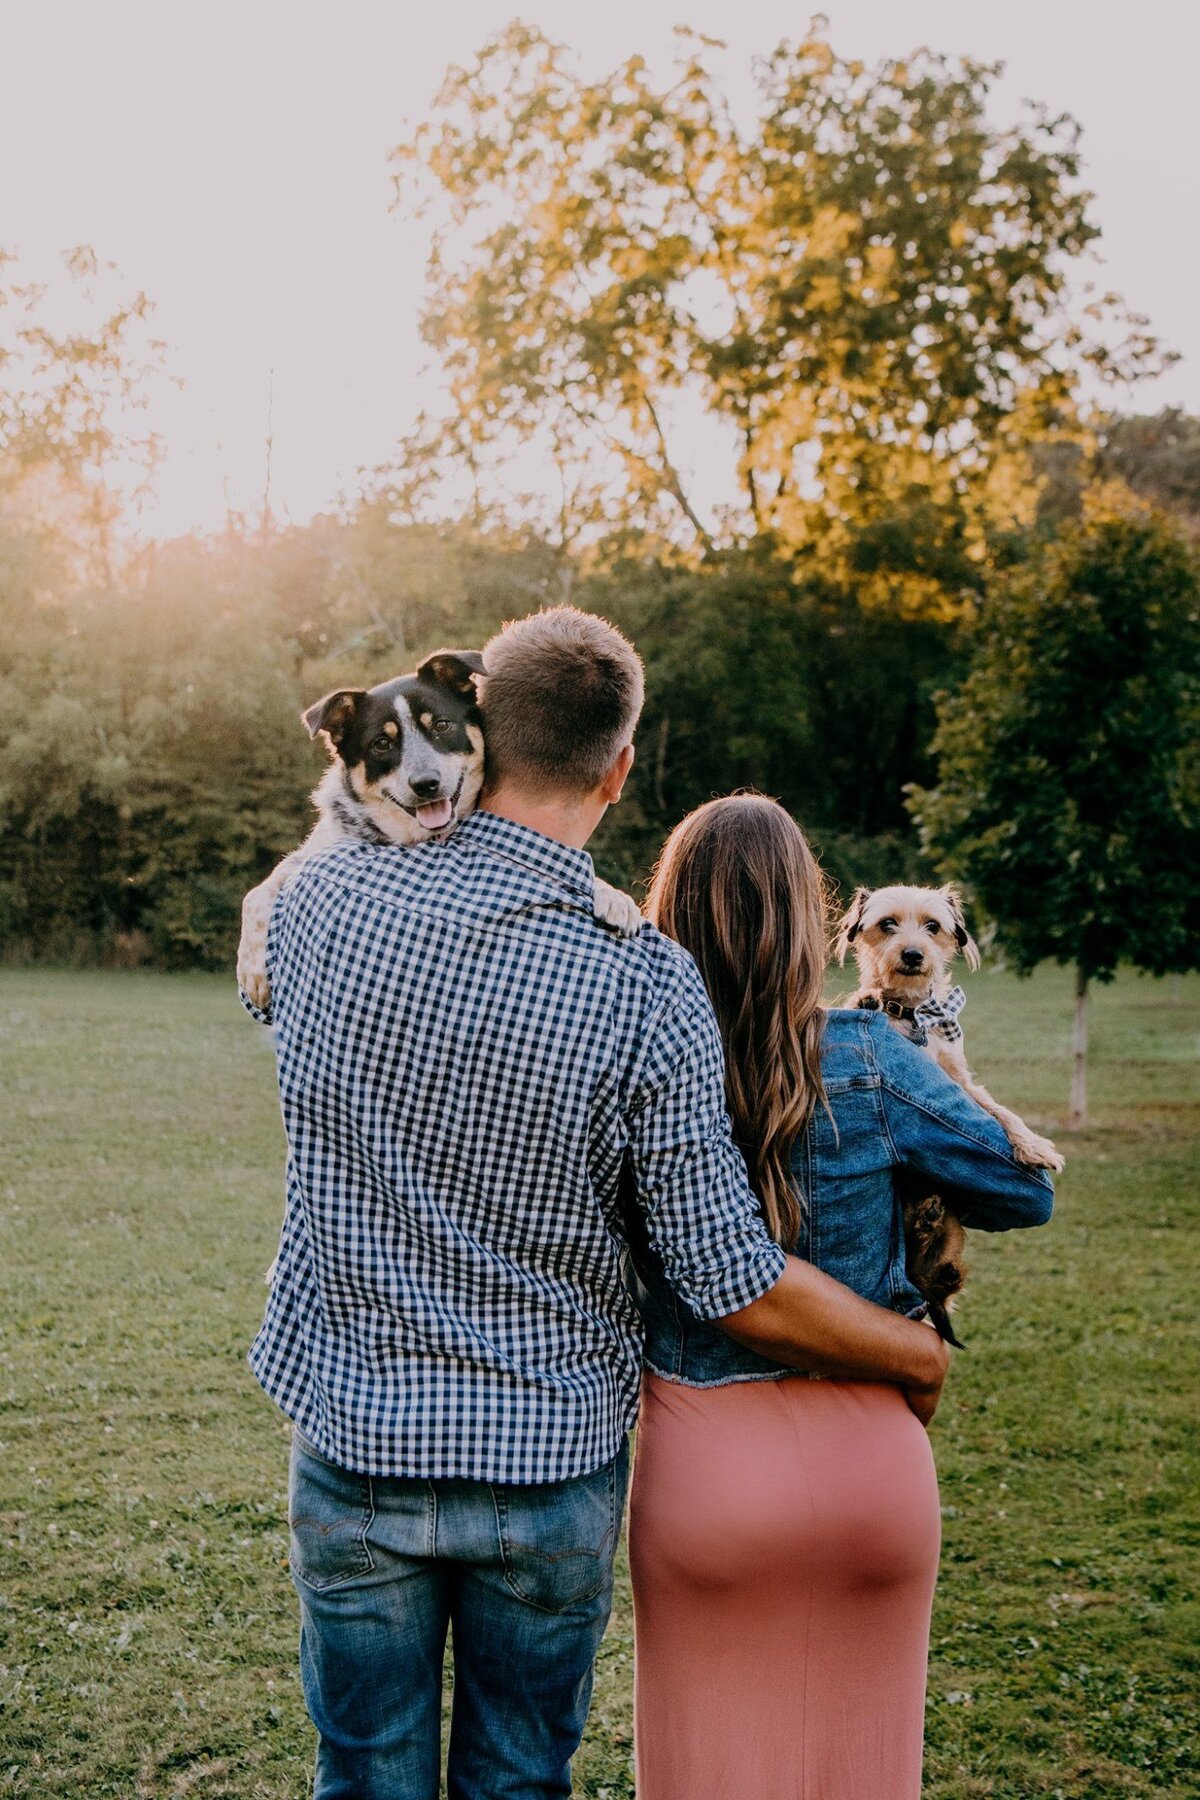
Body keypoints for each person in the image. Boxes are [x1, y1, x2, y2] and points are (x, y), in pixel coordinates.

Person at [240, 609, 947, 1800]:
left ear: (482, 738)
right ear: (620, 770)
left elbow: (281, 979)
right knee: (518, 1785)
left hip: (355, 1439)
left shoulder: (312, 905)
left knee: (363, 1780)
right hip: (546, 1462)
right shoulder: (644, 977)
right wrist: (912, 1359)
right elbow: (726, 1271)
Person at [628, 795, 1055, 1800]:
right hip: (872, 1462)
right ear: (813, 918)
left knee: (712, 1772)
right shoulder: (871, 1056)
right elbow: (1026, 1192)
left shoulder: (639, 1061)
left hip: (706, 1463)